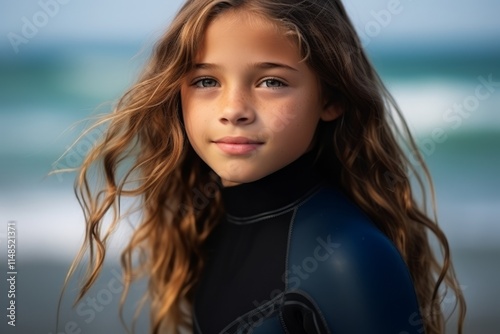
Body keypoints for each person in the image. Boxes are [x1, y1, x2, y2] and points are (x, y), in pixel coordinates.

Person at [65, 0, 466, 333]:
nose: (233, 110)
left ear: (331, 98)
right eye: (206, 81)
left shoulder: (346, 258)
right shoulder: (208, 224)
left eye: (271, 82)